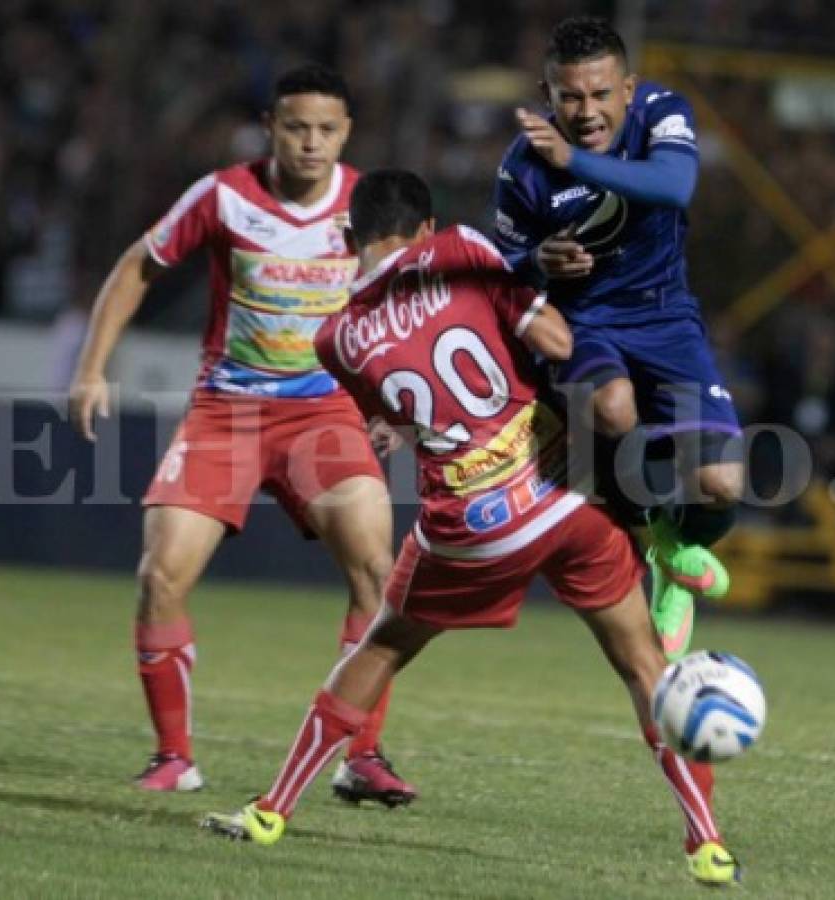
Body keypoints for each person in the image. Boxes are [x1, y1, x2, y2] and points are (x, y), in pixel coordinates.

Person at [200, 170, 743, 889]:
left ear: (346, 238)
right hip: (561, 495)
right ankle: (706, 845)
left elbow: (402, 410)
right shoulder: (460, 248)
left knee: (383, 645)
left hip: (470, 523)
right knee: (644, 666)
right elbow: (551, 337)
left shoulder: (333, 339)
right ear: (424, 229)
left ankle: (270, 810)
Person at [66, 65, 414, 804]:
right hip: (227, 409)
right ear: (270, 125)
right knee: (160, 576)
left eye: (326, 129)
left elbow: (398, 307)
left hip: (324, 414)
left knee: (376, 570)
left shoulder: (364, 204)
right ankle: (173, 757)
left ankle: (363, 755)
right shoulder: (223, 195)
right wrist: (92, 368)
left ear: (346, 133)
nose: (311, 143)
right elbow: (139, 265)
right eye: (296, 127)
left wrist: (389, 402)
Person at [493, 16, 743, 660]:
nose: (585, 110)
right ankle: (640, 529)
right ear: (549, 93)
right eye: (569, 96)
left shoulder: (662, 113)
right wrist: (539, 261)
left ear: (627, 89)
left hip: (666, 319)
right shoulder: (521, 168)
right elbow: (502, 263)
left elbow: (675, 185)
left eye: (600, 94)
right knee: (613, 408)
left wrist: (571, 160)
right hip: (585, 323)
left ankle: (672, 551)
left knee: (721, 486)